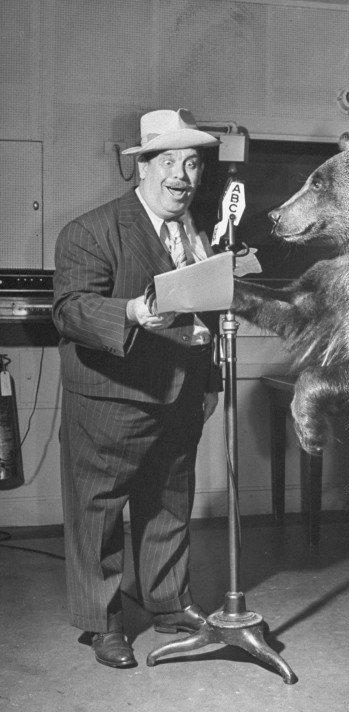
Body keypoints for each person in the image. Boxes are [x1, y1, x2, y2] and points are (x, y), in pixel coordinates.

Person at [53, 108, 222, 669]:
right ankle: (102, 623)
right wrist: (128, 310)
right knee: (98, 511)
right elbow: (71, 310)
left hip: (182, 395)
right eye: (168, 161)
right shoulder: (90, 230)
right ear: (142, 169)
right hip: (112, 397)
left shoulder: (200, 232)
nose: (182, 176)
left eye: (192, 163)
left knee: (169, 504)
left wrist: (211, 380)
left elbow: (206, 316)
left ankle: (170, 605)